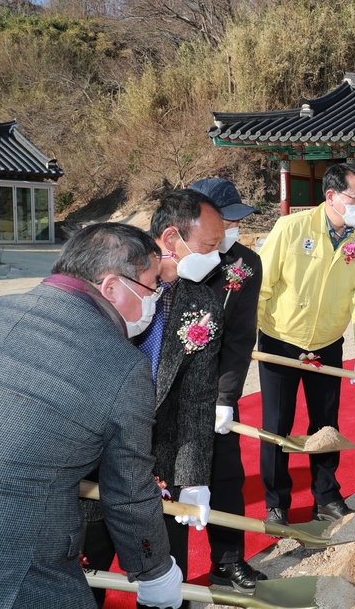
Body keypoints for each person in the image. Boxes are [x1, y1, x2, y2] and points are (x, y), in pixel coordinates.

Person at [0, 223, 183, 609]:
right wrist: (156, 571)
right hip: (18, 554)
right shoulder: (123, 367)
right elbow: (127, 492)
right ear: (112, 288)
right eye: (150, 288)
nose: (155, 301)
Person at [83, 189, 226, 593]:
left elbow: (197, 398)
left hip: (157, 469)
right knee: (83, 579)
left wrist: (193, 476)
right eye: (209, 245)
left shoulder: (201, 303)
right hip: (90, 466)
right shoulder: (104, 284)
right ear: (170, 239)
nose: (216, 257)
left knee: (165, 583)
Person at [257, 162, 355, 525]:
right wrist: (244, 342)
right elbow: (261, 287)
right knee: (276, 425)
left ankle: (326, 497)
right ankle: (276, 503)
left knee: (326, 425)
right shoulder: (291, 228)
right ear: (331, 196)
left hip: (327, 342)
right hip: (280, 340)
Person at [189, 178, 267, 592]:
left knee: (227, 477)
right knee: (174, 485)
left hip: (218, 385)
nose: (233, 228)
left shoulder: (246, 265)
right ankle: (171, 570)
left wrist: (225, 398)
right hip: (169, 391)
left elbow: (240, 339)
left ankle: (229, 560)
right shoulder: (174, 260)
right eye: (226, 218)